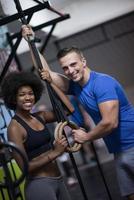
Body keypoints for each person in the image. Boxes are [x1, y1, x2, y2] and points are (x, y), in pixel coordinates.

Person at [22, 26, 134, 200]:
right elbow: (47, 74)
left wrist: (86, 137)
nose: (70, 70)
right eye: (65, 68)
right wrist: (30, 42)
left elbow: (110, 123)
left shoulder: (102, 84)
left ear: (83, 61)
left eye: (73, 64)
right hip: (120, 150)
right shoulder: (76, 87)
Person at [1, 71, 71, 200]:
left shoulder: (41, 116)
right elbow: (24, 167)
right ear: (13, 98)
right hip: (39, 185)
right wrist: (55, 153)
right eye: (22, 95)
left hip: (59, 180)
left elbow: (67, 110)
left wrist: (50, 82)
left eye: (30, 93)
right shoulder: (15, 127)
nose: (28, 98)